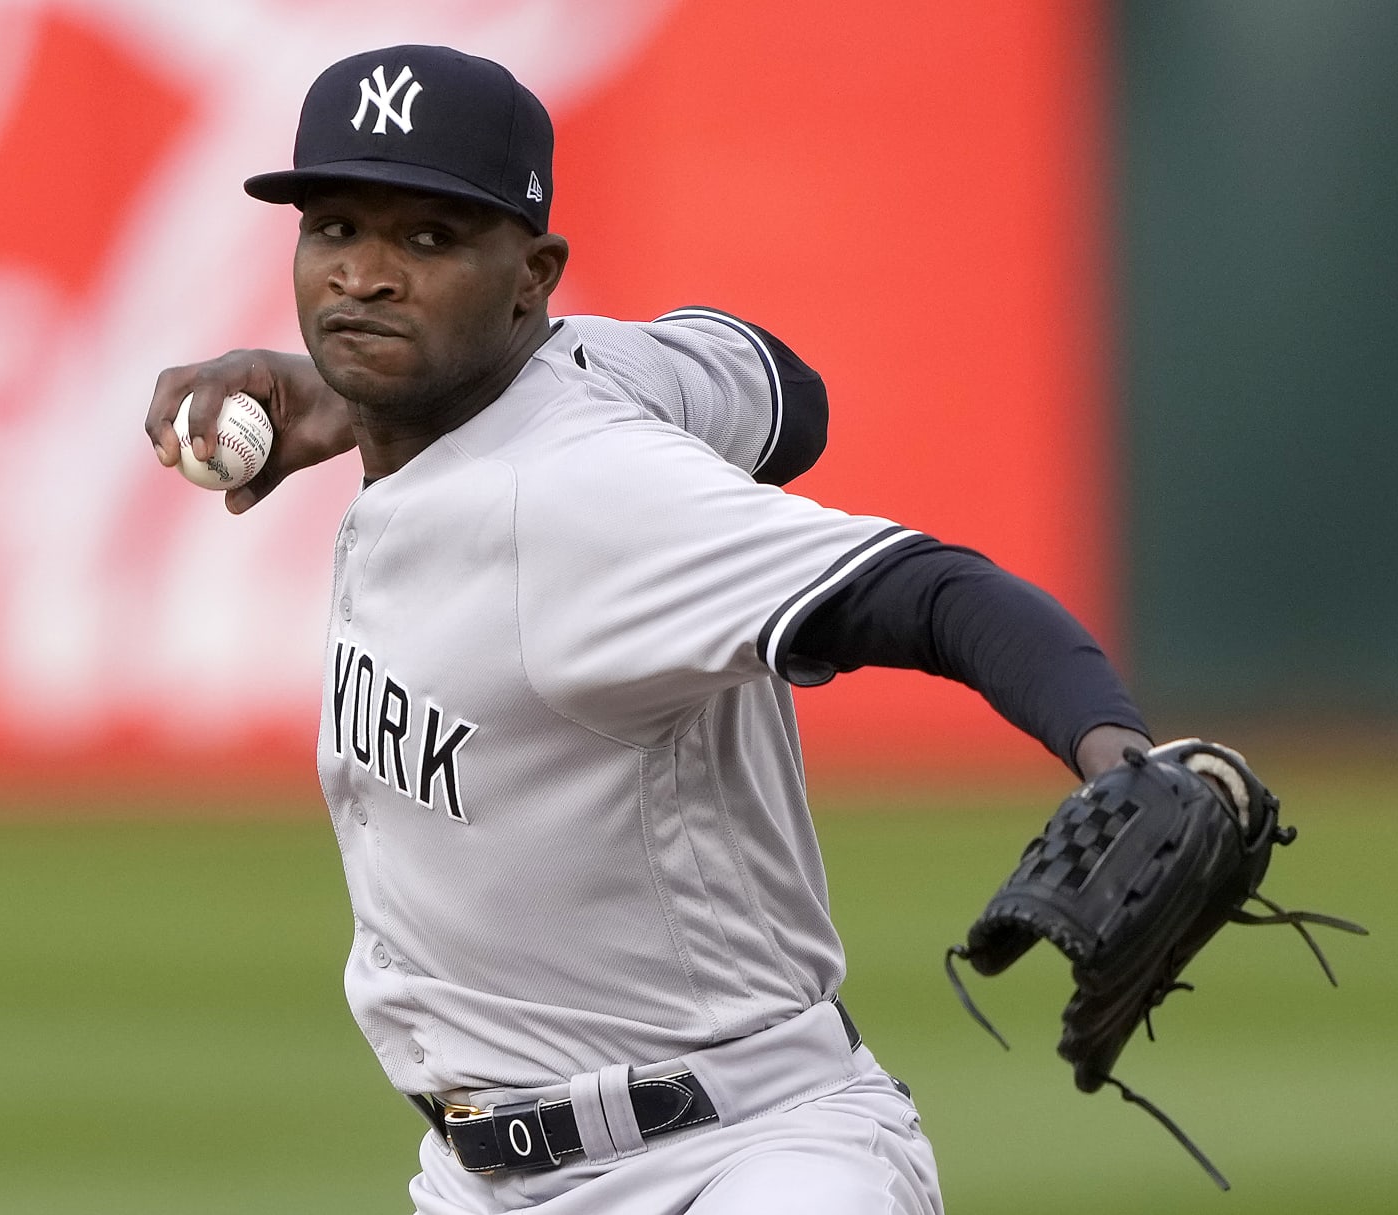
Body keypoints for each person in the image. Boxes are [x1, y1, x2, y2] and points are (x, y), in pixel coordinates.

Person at [145, 44, 1152, 1214]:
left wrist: (1116, 756)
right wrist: (358, 390)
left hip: (740, 1159)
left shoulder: (594, 497)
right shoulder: (591, 375)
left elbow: (928, 589)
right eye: (335, 227)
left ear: (534, 273)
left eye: (429, 240)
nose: (365, 276)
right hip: (483, 1181)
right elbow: (785, 391)